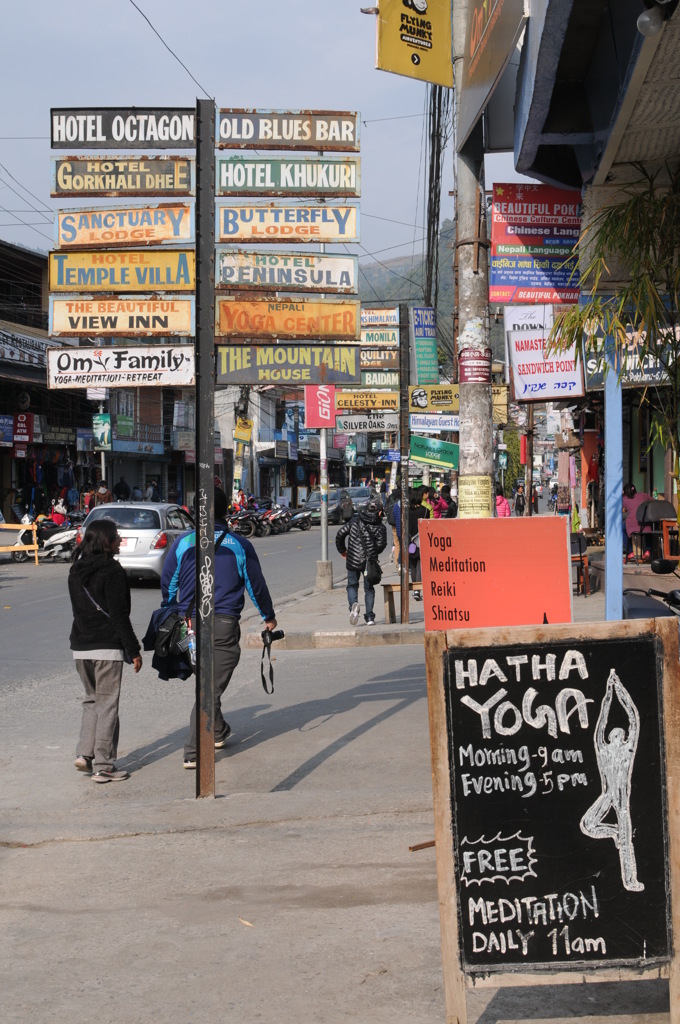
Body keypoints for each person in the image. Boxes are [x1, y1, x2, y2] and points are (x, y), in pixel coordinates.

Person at [161, 488, 277, 770]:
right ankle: (193, 750)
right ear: (227, 510)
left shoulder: (183, 543)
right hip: (223, 625)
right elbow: (255, 584)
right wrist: (268, 616)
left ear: (193, 512)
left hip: (187, 627)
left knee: (207, 682)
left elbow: (169, 582)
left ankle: (220, 729)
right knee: (209, 689)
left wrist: (173, 610)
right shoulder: (239, 544)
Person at [68, 519, 142, 783]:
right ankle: (103, 766)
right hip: (107, 649)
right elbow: (119, 616)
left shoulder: (76, 570)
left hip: (80, 648)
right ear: (106, 541)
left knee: (91, 701)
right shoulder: (113, 571)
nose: (120, 540)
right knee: (107, 705)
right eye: (116, 537)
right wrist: (133, 650)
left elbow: (80, 611)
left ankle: (84, 754)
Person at [335, 498, 387, 626]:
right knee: (369, 589)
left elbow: (340, 534)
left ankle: (354, 605)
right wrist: (372, 553)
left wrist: (343, 551)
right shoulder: (380, 527)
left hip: (352, 560)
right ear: (379, 512)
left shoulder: (355, 521)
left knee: (352, 586)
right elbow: (381, 545)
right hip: (368, 563)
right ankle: (369, 618)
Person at [623, 482, 651, 561]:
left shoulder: (625, 499)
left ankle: (630, 552)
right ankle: (647, 551)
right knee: (648, 529)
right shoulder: (643, 495)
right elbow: (654, 501)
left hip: (632, 526)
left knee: (622, 528)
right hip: (645, 524)